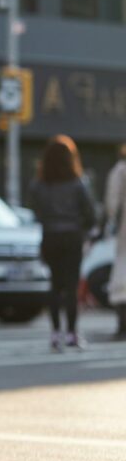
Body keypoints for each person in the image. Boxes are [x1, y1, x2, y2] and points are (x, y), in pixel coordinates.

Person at [30, 135, 96, 351]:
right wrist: (85, 229)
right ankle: (72, 333)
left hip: (50, 236)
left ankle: (55, 334)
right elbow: (90, 212)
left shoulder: (40, 184)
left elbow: (36, 210)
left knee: (54, 286)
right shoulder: (77, 183)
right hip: (72, 236)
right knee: (71, 287)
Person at [104, 143, 126, 339]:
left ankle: (122, 325)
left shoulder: (120, 171)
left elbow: (112, 203)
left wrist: (112, 220)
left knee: (121, 276)